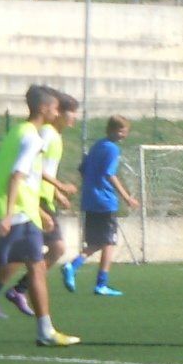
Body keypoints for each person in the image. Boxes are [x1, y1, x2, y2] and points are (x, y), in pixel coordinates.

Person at [0, 84, 79, 350]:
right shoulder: (33, 138)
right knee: (36, 268)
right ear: (44, 108)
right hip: (17, 213)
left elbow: (24, 173)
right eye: (55, 108)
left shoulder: (18, 132)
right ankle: (45, 331)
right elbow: (17, 175)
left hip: (4, 209)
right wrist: (10, 214)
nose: (57, 112)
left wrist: (42, 207)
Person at [6, 89, 79, 312]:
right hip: (36, 197)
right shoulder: (47, 134)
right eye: (71, 112)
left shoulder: (55, 136)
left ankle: (6, 290)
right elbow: (33, 167)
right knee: (55, 248)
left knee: (34, 251)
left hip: (44, 197)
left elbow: (44, 169)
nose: (74, 117)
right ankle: (14, 290)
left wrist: (57, 193)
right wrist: (60, 186)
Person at [68, 114, 139, 295]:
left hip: (90, 199)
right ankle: (99, 283)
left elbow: (82, 169)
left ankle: (75, 267)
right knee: (109, 242)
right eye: (123, 131)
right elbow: (109, 174)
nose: (125, 135)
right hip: (105, 201)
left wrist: (91, 185)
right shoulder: (112, 149)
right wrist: (127, 197)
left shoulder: (97, 146)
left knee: (97, 241)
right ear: (115, 131)